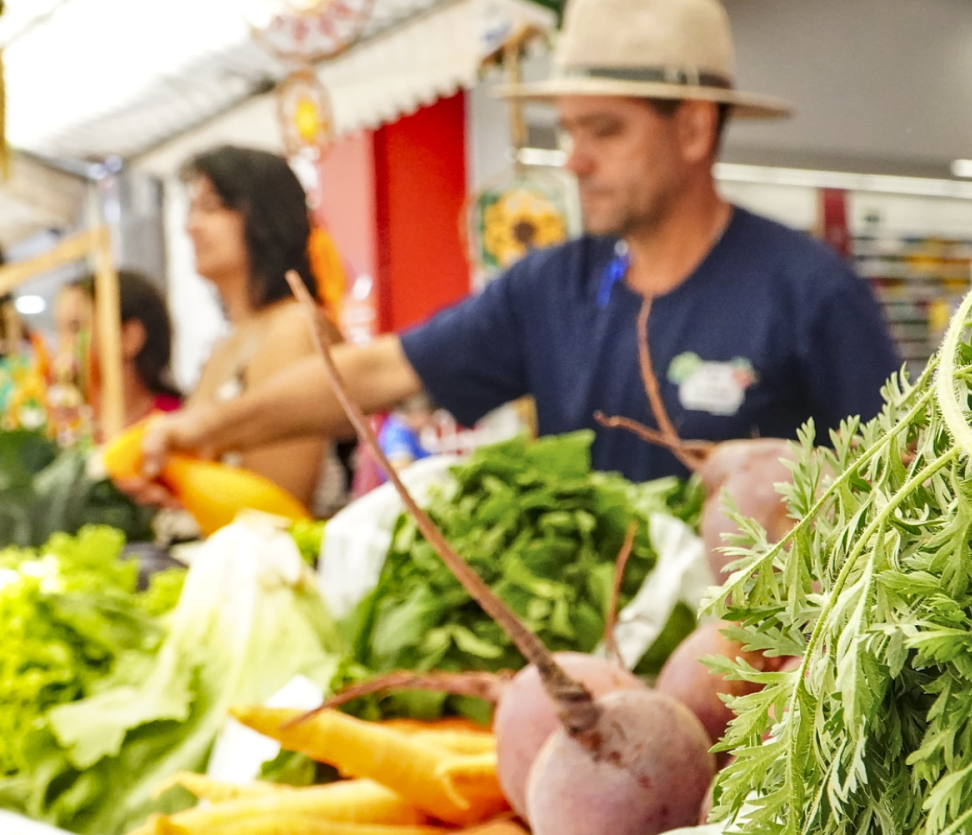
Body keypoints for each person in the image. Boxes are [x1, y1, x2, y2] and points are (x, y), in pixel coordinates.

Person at [140, 0, 900, 486]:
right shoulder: (552, 287)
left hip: (758, 689)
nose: (574, 159)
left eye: (604, 130)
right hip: (584, 672)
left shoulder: (809, 294)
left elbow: (892, 490)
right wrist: (203, 428)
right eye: (568, 129)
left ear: (695, 127)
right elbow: (379, 371)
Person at [168, 145, 348, 510]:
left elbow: (274, 505)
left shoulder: (294, 328)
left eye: (212, 207)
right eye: (191, 209)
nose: (191, 227)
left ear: (266, 216)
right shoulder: (226, 344)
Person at [53, 270, 183, 430]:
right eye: (59, 330)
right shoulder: (71, 429)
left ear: (129, 337)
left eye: (76, 327)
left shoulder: (176, 426)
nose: (63, 344)